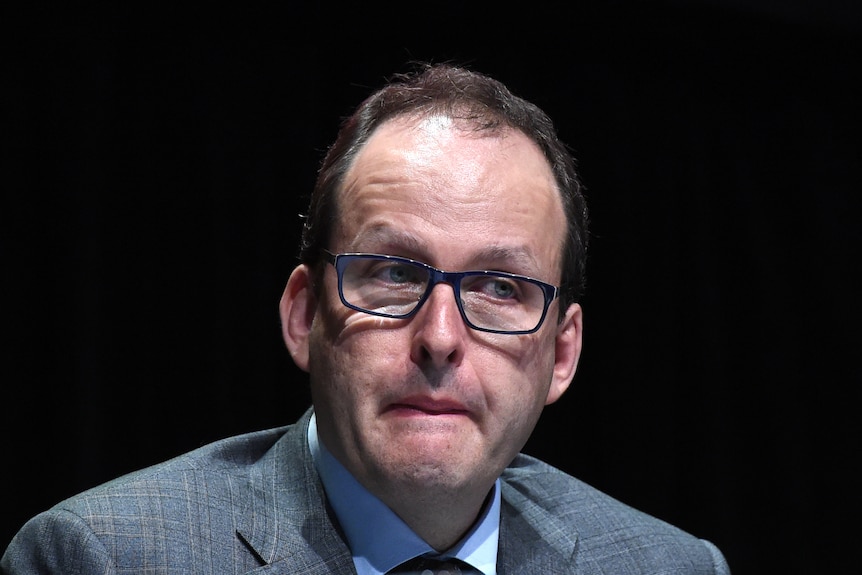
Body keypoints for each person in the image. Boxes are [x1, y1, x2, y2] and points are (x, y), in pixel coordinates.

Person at [2, 62, 731, 574]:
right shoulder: (103, 558)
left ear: (562, 355)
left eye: (499, 288)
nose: (441, 338)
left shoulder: (670, 565)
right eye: (393, 273)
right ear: (302, 315)